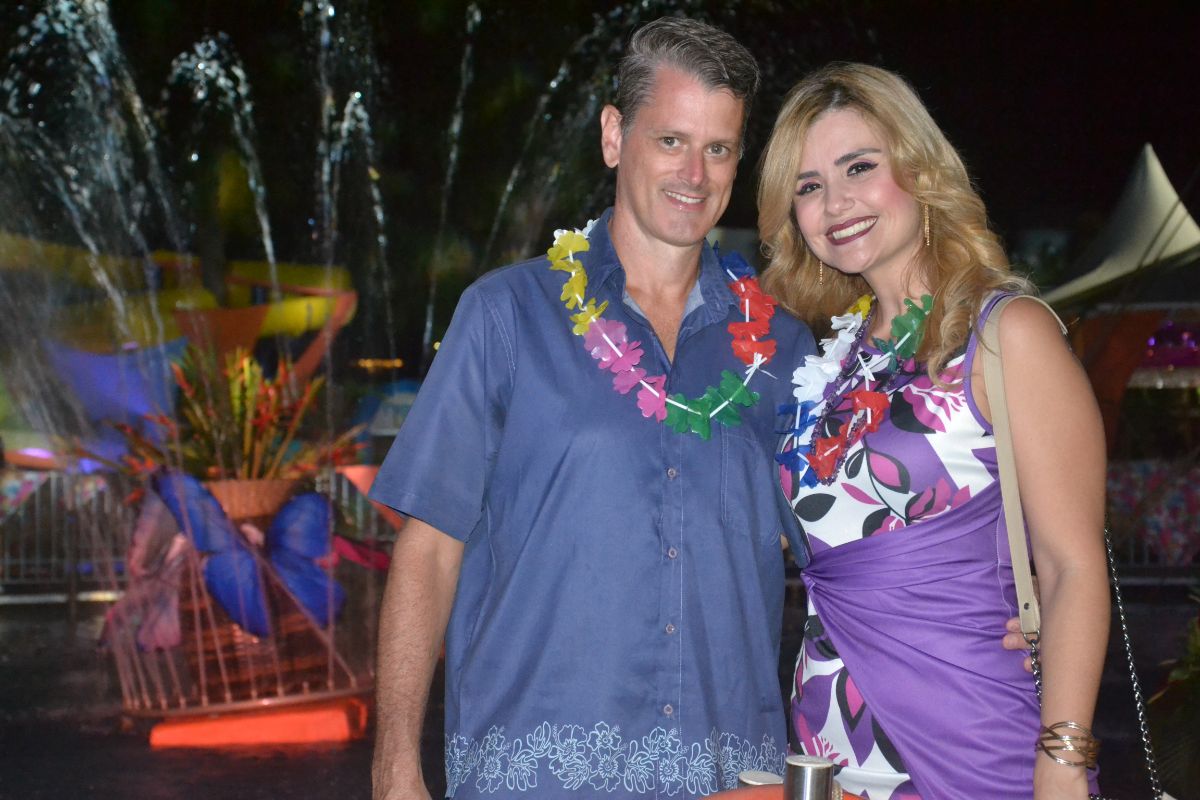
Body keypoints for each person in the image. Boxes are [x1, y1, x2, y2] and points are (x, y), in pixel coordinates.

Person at [368, 17, 818, 799]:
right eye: (671, 140)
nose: (695, 173)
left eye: (719, 149)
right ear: (614, 136)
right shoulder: (506, 316)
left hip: (725, 780)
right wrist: (394, 764)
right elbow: (428, 549)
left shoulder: (783, 349)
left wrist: (993, 609)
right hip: (533, 778)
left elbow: (851, 555)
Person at [758, 63, 1109, 800]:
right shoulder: (834, 362)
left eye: (859, 167)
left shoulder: (1006, 333)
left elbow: (1071, 566)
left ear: (918, 171)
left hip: (971, 737)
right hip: (830, 744)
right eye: (809, 185)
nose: (836, 202)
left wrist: (1064, 757)